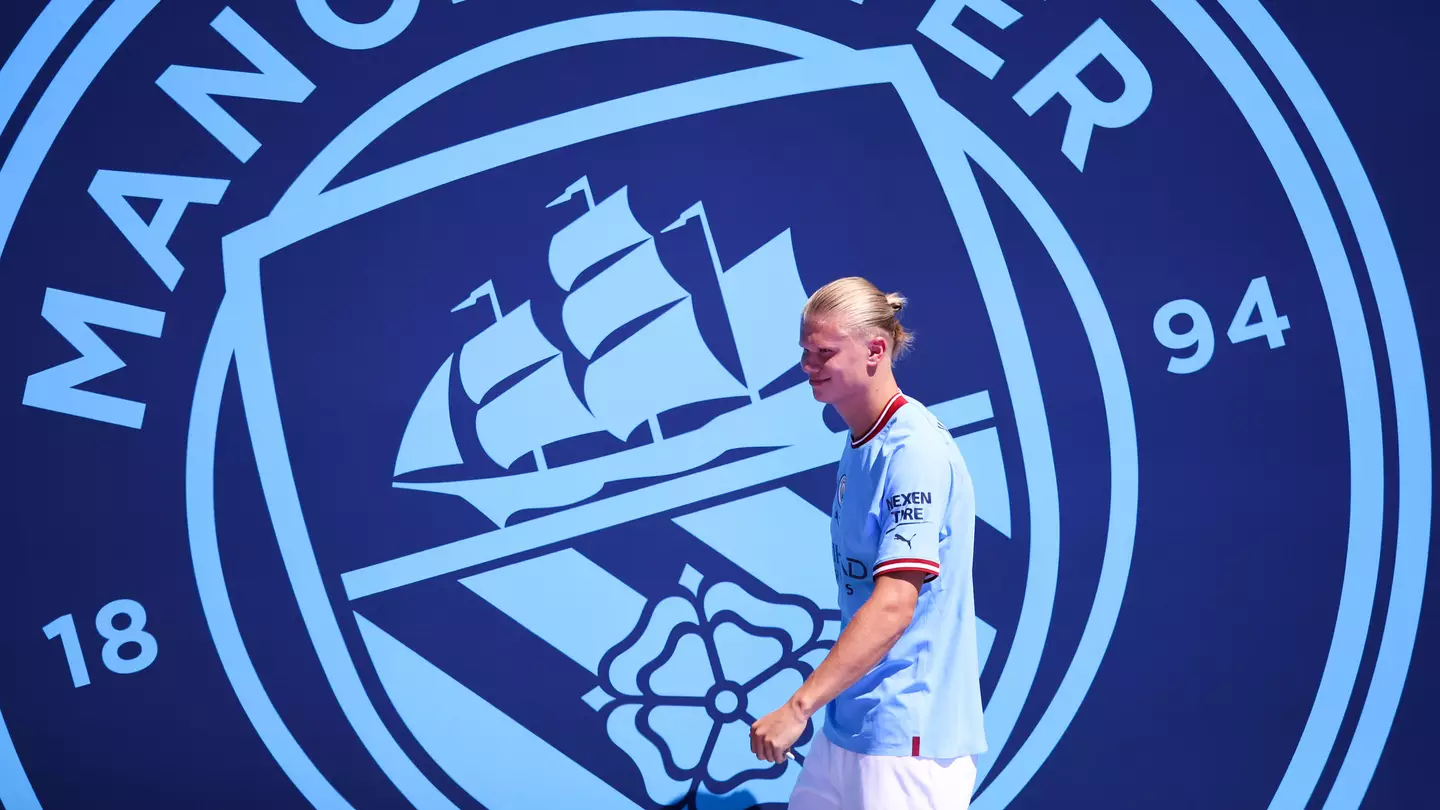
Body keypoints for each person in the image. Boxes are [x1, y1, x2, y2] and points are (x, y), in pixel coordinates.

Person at [748, 276, 986, 809]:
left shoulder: (915, 452)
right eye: (805, 351)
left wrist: (798, 708)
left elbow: (896, 603)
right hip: (849, 727)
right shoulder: (861, 442)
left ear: (875, 349)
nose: (808, 366)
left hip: (909, 740)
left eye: (824, 352)